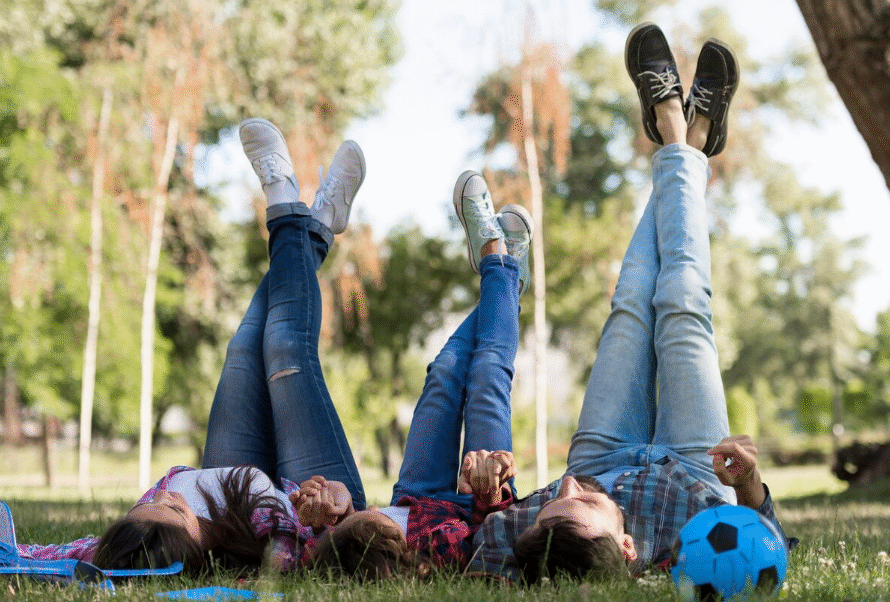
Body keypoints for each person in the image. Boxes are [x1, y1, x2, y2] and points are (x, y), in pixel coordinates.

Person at [467, 23, 794, 583]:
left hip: (600, 453)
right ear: (627, 547)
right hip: (697, 464)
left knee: (632, 299)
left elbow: (482, 544)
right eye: (581, 505)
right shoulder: (688, 539)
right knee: (683, 304)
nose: (564, 488)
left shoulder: (524, 543)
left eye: (549, 504)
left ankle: (683, 140)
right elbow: (767, 550)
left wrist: (488, 489)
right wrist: (747, 486)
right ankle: (681, 136)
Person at [14, 117, 368, 575]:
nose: (165, 495)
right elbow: (310, 553)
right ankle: (289, 208)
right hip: (317, 504)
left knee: (243, 348)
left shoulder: (129, 544)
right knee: (284, 348)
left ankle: (311, 228)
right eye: (172, 509)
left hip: (234, 486)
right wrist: (326, 507)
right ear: (194, 548)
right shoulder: (271, 549)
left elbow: (34, 555)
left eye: (146, 504)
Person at [295, 171, 535, 581]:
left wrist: (334, 509)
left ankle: (506, 272)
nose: (372, 508)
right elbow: (489, 537)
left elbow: (309, 548)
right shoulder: (436, 552)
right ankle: (497, 259)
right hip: (477, 492)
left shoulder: (335, 553)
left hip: (415, 491)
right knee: (487, 374)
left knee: (442, 373)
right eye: (371, 515)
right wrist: (489, 490)